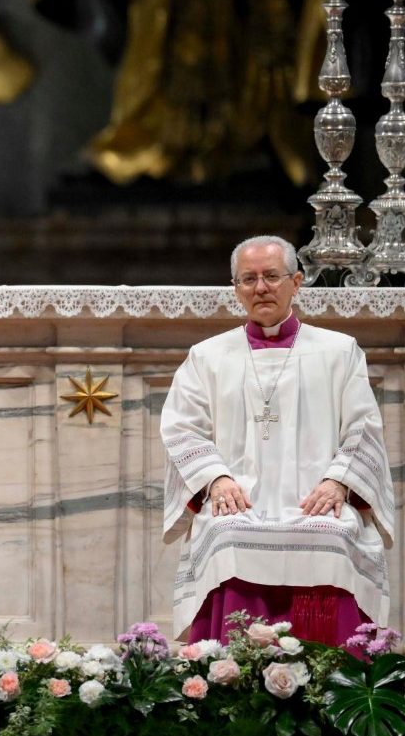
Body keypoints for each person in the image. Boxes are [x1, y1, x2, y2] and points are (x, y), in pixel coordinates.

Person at [161, 235, 393, 645]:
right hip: (240, 498)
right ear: (236, 288)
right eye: (247, 279)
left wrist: (338, 480)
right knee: (225, 533)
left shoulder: (339, 351)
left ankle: (330, 667)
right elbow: (182, 426)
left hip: (315, 497)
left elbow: (363, 427)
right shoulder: (208, 356)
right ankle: (231, 671)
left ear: (297, 282)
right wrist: (216, 478)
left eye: (271, 276)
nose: (260, 288)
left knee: (332, 534)